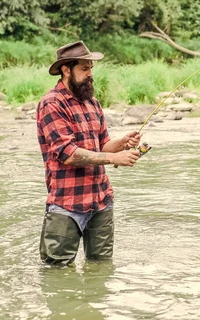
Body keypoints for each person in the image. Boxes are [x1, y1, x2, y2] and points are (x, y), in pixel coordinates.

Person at [36, 41, 142, 266]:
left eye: (91, 68)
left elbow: (102, 145)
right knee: (57, 274)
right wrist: (114, 159)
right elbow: (68, 153)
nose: (90, 74)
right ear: (66, 69)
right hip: (67, 204)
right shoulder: (51, 104)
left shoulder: (92, 102)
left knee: (101, 270)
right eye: (84, 68)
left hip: (101, 202)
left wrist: (121, 144)